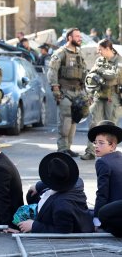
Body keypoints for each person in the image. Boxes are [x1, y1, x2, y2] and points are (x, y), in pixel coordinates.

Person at [18, 152, 94, 233]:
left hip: (67, 229)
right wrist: (38, 186)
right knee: (31, 195)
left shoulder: (62, 206)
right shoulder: (77, 182)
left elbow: (62, 231)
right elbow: (60, 177)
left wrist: (33, 226)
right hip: (64, 212)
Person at [47, 27, 88, 157]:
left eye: (80, 36)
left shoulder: (79, 53)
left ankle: (68, 147)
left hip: (78, 92)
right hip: (65, 92)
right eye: (77, 36)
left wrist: (85, 92)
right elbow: (52, 72)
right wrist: (56, 90)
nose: (79, 38)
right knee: (65, 121)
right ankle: (62, 149)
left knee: (74, 121)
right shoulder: (60, 53)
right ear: (69, 38)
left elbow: (84, 72)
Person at [81, 39, 122, 160]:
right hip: (99, 95)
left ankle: (110, 152)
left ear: (108, 49)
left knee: (111, 125)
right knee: (94, 124)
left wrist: (99, 73)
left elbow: (113, 77)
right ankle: (91, 151)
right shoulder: (99, 60)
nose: (98, 52)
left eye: (100, 49)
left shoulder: (119, 61)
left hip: (113, 97)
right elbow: (91, 75)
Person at [86, 120, 122, 231]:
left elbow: (102, 193)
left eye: (101, 143)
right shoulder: (119, 157)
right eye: (95, 142)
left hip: (114, 215)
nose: (96, 146)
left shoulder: (103, 162)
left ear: (112, 146)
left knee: (86, 217)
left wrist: (97, 220)